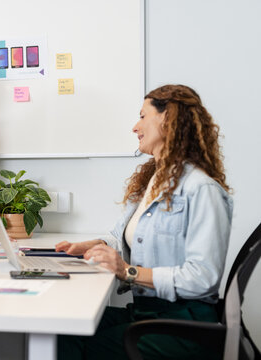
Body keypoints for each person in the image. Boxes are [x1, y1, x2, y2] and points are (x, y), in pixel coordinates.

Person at [56, 85, 233, 360]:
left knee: (88, 345)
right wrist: (98, 245)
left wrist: (128, 271)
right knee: (66, 328)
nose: (135, 127)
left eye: (142, 116)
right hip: (149, 312)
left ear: (167, 118)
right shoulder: (154, 180)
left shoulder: (201, 189)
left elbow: (202, 278)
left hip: (183, 325)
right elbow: (123, 235)